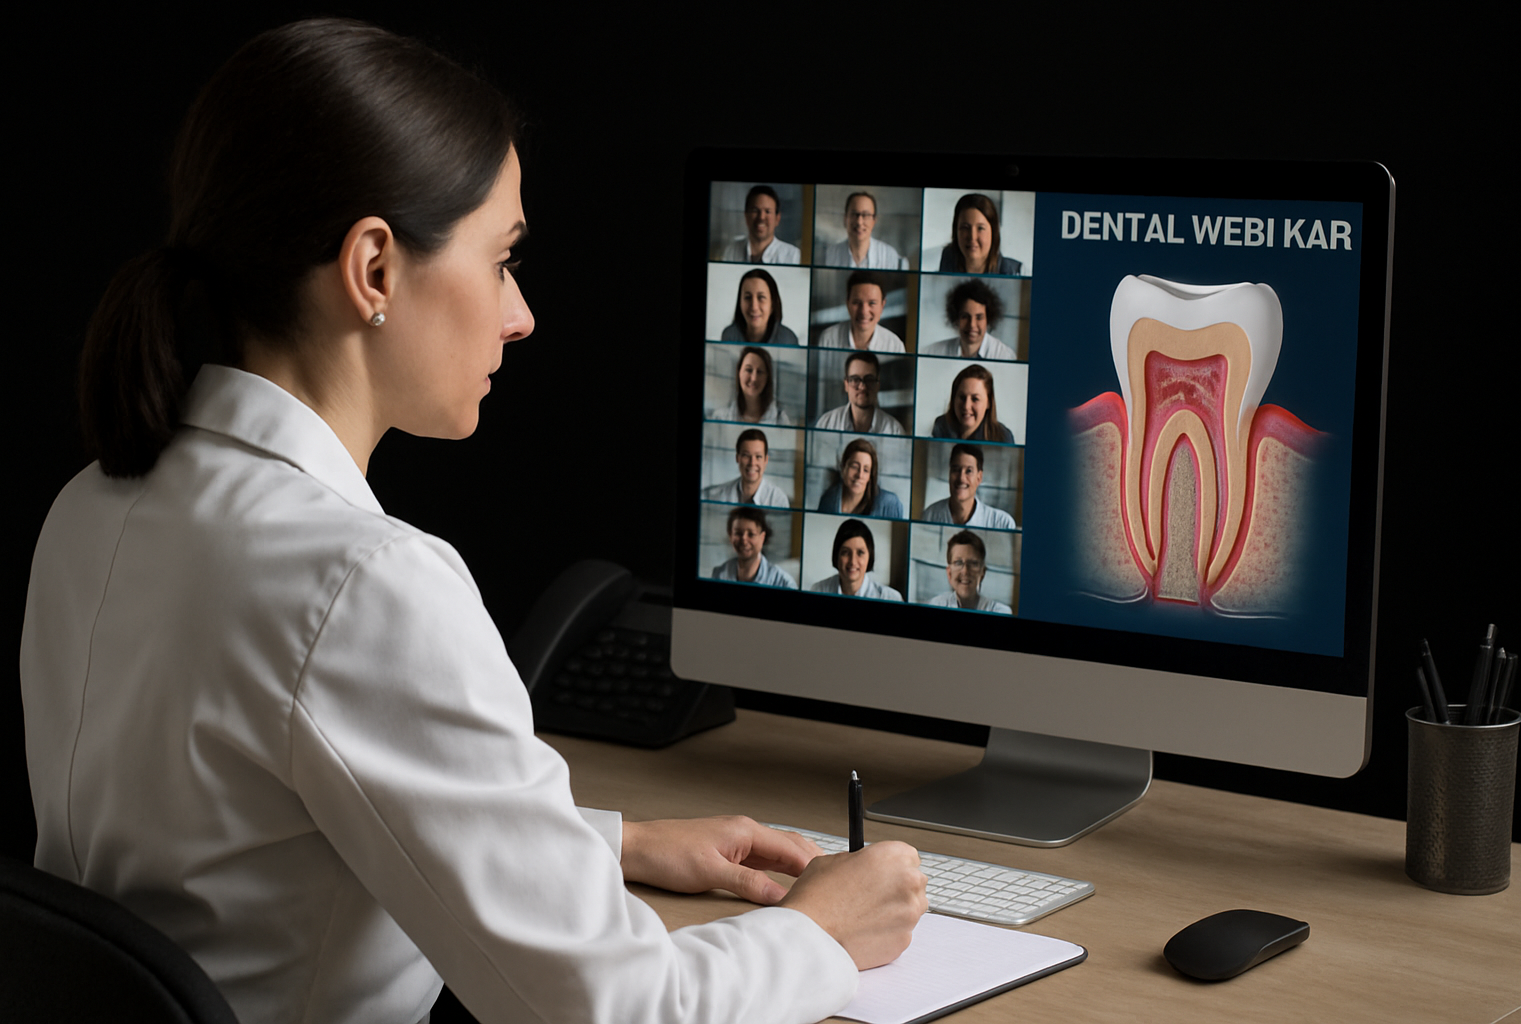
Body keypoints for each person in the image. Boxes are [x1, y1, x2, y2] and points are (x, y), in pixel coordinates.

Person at [20, 20, 925, 1024]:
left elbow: (257, 837)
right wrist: (823, 929)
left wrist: (609, 841)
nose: (521, 313)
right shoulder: (363, 587)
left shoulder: (92, 507)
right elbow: (619, 1010)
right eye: (501, 260)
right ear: (373, 269)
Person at [921, 443, 1017, 529]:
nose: (961, 478)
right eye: (956, 470)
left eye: (969, 471)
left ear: (979, 478)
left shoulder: (1002, 523)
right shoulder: (929, 515)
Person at [807, 519, 904, 601]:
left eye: (860, 553)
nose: (852, 561)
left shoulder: (889, 598)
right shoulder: (818, 591)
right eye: (845, 552)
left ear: (870, 556)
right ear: (836, 555)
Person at [921, 278, 1017, 359]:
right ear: (956, 318)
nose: (972, 324)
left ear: (988, 319)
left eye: (979, 317)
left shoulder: (1004, 355)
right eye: (965, 317)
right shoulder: (932, 352)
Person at [814, 352, 907, 435]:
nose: (862, 387)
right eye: (855, 379)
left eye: (869, 380)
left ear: (878, 385)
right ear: (846, 385)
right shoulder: (826, 424)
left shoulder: (894, 430)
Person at [926, 530, 1012, 613]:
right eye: (958, 563)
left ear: (983, 572)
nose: (965, 571)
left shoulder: (1000, 611)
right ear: (949, 573)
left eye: (973, 564)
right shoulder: (934, 605)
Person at [816, 272, 905, 352]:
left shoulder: (894, 346)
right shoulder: (828, 339)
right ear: (847, 303)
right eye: (857, 302)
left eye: (872, 303)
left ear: (882, 305)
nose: (864, 311)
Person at [816, 438, 905, 518]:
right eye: (854, 467)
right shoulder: (827, 500)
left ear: (870, 476)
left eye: (866, 470)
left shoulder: (889, 504)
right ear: (844, 468)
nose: (860, 475)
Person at [702, 428, 791, 507]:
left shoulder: (778, 500)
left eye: (758, 456)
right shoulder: (718, 496)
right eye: (746, 455)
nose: (752, 463)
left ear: (766, 460)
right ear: (737, 458)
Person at [937, 194, 1022, 276]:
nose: (972, 237)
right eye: (965, 227)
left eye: (980, 228)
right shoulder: (947, 259)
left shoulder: (1014, 271)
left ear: (994, 232)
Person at [709, 345, 794, 425]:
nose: (754, 378)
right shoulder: (720, 417)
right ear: (739, 373)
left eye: (760, 372)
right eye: (749, 370)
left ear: (767, 378)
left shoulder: (781, 420)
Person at [711, 507, 795, 587]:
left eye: (751, 534)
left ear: (762, 537)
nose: (744, 540)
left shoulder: (783, 582)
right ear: (730, 535)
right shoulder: (719, 574)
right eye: (738, 533)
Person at [930, 364, 1015, 443]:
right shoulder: (941, 426)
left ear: (989, 402)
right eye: (962, 398)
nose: (966, 406)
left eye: (975, 399)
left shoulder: (1003, 437)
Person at [822, 191, 908, 270]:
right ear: (845, 219)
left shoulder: (889, 255)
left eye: (866, 215)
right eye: (854, 214)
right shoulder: (829, 255)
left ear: (874, 221)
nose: (859, 222)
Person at [718, 185, 802, 264]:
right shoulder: (731, 250)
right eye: (755, 210)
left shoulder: (792, 255)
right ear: (746, 216)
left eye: (767, 211)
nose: (761, 217)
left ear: (777, 218)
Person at [720, 268, 798, 346]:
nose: (754, 307)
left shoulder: (788, 340)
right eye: (748, 297)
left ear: (772, 304)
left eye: (761, 297)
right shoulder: (728, 336)